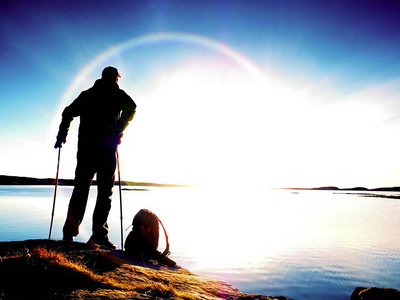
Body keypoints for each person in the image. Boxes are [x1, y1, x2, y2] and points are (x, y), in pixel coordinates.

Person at [54, 66, 136, 249]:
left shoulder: (88, 94)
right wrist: (118, 129)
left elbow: (68, 112)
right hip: (106, 149)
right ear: (116, 78)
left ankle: (69, 234)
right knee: (104, 193)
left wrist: (62, 135)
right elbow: (131, 107)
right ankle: (99, 235)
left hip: (86, 150)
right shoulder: (117, 94)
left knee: (80, 190)